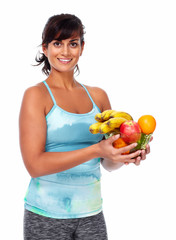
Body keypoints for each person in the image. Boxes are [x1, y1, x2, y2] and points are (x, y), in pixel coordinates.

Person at [19, 13, 151, 240]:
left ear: (82, 47)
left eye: (73, 43)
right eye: (57, 43)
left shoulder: (99, 97)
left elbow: (108, 164)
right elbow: (35, 165)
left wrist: (124, 154)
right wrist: (96, 150)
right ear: (45, 47)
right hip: (46, 216)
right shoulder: (36, 95)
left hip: (91, 214)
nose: (66, 52)